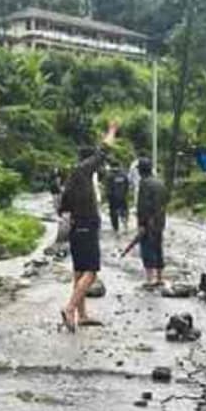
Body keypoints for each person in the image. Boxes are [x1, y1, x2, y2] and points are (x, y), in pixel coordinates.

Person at [58, 121, 119, 330]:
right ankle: (70, 309)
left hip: (76, 228)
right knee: (91, 272)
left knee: (79, 272)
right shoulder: (83, 171)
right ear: (88, 160)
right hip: (86, 226)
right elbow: (103, 151)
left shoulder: (72, 176)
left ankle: (82, 315)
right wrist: (111, 131)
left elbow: (62, 207)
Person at [135, 156, 168, 288]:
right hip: (160, 221)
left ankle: (150, 279)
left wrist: (142, 224)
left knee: (147, 249)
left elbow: (143, 205)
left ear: (140, 171)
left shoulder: (144, 183)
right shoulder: (159, 183)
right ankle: (160, 277)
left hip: (149, 222)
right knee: (158, 248)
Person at [105, 165, 131, 233]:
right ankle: (125, 226)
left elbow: (108, 188)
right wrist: (125, 194)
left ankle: (116, 229)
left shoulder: (109, 175)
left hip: (113, 199)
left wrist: (108, 197)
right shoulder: (123, 174)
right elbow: (127, 185)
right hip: (123, 197)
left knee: (114, 214)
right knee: (124, 212)